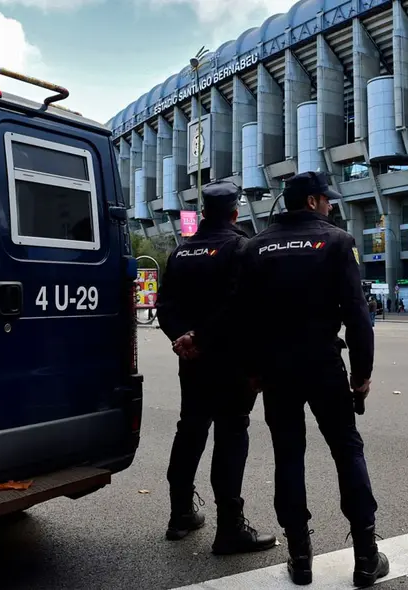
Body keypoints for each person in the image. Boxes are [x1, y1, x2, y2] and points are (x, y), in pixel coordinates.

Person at [233, 171, 389, 587]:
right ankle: (366, 556)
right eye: (327, 199)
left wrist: (252, 371)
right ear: (314, 201)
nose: (332, 206)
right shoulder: (336, 241)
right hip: (323, 363)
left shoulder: (254, 246)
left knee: (289, 457)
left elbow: (243, 318)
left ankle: (300, 558)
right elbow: (357, 314)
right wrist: (362, 375)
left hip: (276, 368)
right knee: (346, 450)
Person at [155, 180, 277, 555]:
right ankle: (229, 528)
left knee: (189, 431)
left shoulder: (181, 252)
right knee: (230, 436)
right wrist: (205, 340)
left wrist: (183, 339)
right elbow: (244, 309)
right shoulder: (241, 248)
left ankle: (180, 516)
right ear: (236, 213)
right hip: (231, 362)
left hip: (192, 364)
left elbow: (165, 307)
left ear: (204, 213)